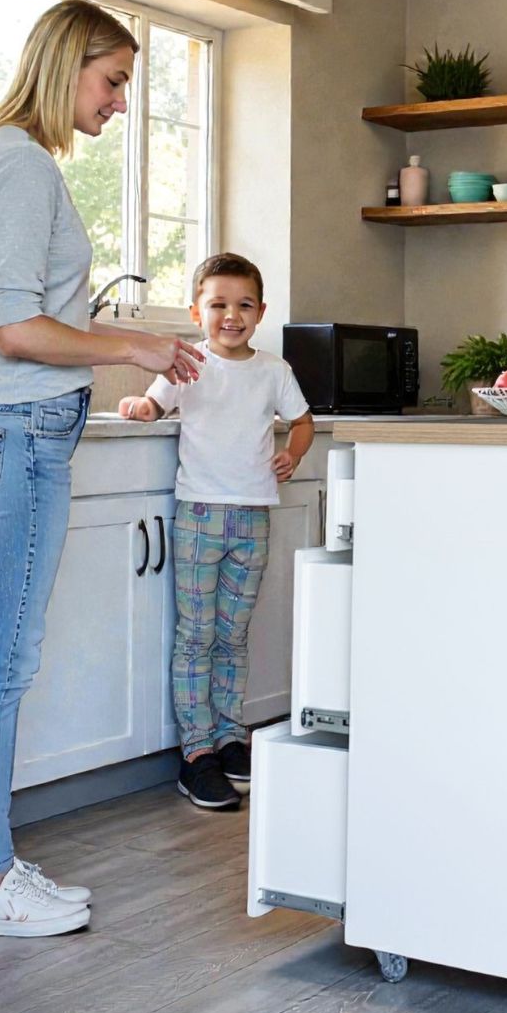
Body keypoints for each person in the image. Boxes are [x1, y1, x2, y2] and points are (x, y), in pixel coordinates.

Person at [0, 0, 203, 938]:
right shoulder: (19, 162)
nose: (121, 102)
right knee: (0, 662)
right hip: (16, 429)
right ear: (65, 64)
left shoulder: (12, 159)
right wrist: (130, 345)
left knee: (2, 658)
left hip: (18, 429)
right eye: (114, 80)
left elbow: (22, 315)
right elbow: (16, 328)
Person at [119, 253, 313, 810]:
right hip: (200, 516)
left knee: (233, 636)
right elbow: (154, 404)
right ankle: (197, 753)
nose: (232, 315)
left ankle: (231, 738)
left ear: (261, 312)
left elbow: (302, 422)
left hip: (253, 518)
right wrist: (139, 406)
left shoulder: (273, 370)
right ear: (196, 312)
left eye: (244, 305)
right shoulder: (187, 364)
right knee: (196, 637)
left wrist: (294, 453)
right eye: (218, 304)